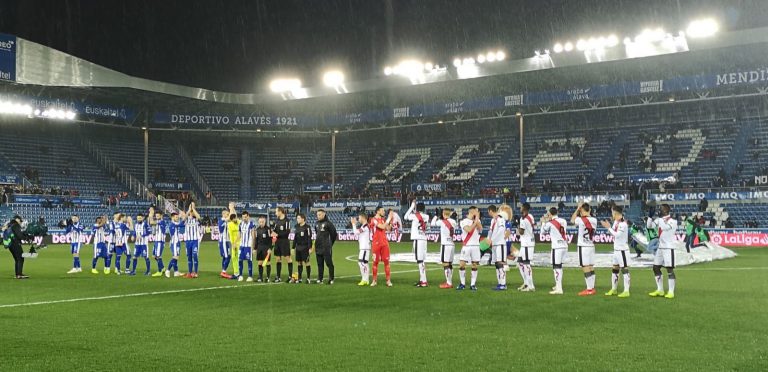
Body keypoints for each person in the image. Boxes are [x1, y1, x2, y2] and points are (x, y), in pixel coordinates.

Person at [648, 204, 678, 299]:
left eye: (661, 209)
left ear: (666, 210)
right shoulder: (659, 219)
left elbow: (664, 227)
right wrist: (650, 217)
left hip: (669, 248)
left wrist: (659, 220)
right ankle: (660, 290)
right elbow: (649, 226)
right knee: (655, 267)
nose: (659, 210)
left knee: (669, 269)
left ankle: (671, 292)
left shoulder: (673, 221)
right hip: (661, 247)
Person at [601, 205, 631, 298]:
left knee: (625, 269)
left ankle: (626, 291)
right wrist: (609, 228)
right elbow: (613, 232)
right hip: (616, 250)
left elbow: (617, 235)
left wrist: (608, 228)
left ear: (615, 213)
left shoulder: (623, 224)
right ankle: (614, 289)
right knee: (615, 269)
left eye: (612, 212)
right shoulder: (616, 222)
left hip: (622, 250)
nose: (611, 214)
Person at [572, 203, 597, 296]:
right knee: (590, 266)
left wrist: (577, 209)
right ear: (589, 210)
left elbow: (572, 220)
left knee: (585, 266)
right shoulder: (594, 220)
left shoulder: (580, 220)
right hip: (591, 245)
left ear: (582, 210)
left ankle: (589, 289)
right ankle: (592, 287)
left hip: (583, 246)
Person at [541, 207, 568, 295]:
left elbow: (543, 232)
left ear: (550, 214)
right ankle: (558, 285)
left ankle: (559, 289)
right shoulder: (563, 221)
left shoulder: (550, 223)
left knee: (556, 267)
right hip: (564, 245)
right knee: (559, 266)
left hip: (557, 247)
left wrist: (543, 222)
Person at [404, 200, 429, 287]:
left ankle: (424, 281)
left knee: (419, 260)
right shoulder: (427, 216)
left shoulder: (415, 216)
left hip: (418, 239)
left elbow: (405, 216)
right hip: (424, 239)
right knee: (421, 260)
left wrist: (411, 206)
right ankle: (422, 279)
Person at [457, 206, 482, 291]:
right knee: (462, 264)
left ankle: (473, 284)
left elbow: (480, 229)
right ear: (472, 211)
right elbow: (469, 230)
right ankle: (462, 283)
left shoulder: (477, 221)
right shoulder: (463, 221)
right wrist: (475, 221)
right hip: (467, 245)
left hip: (476, 245)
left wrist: (477, 220)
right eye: (476, 211)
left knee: (475, 264)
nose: (477, 212)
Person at [431, 208, 457, 289]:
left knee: (445, 263)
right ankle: (449, 281)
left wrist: (436, 215)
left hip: (445, 244)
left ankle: (448, 283)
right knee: (450, 263)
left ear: (443, 213)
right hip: (452, 244)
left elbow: (432, 224)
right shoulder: (454, 221)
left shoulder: (441, 222)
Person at [370, 206, 393, 287]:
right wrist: (389, 219)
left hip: (384, 243)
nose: (384, 212)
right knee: (375, 262)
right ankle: (374, 280)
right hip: (376, 244)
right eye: (382, 210)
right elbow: (382, 227)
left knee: (387, 262)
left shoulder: (383, 220)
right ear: (378, 211)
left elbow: (388, 229)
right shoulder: (374, 220)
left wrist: (391, 221)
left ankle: (388, 280)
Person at [487, 205, 508, 290]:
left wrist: (492, 239)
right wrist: (489, 239)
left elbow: (501, 230)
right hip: (495, 244)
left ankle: (503, 284)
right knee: (496, 263)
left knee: (500, 263)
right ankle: (499, 283)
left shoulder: (500, 219)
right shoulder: (493, 220)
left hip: (500, 244)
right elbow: (490, 230)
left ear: (490, 211)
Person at [314, 209, 337, 284]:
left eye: (320, 214)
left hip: (326, 247)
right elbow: (317, 234)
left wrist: (330, 243)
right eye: (317, 215)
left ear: (324, 214)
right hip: (318, 247)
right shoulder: (316, 224)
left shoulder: (328, 223)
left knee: (329, 263)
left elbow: (334, 234)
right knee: (319, 264)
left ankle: (331, 278)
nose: (318, 216)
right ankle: (320, 278)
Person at [270, 207, 293, 283]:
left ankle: (290, 277)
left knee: (288, 258)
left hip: (284, 242)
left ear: (280, 212)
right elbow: (275, 231)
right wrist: (273, 233)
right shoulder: (277, 221)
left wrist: (277, 234)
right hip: (277, 243)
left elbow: (287, 232)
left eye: (276, 212)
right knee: (278, 259)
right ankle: (278, 277)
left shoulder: (287, 221)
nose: (275, 213)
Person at [517, 202, 536, 292]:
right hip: (525, 243)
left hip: (527, 244)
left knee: (526, 263)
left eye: (521, 207)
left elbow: (521, 232)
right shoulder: (530, 216)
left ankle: (531, 286)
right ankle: (526, 283)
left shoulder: (524, 220)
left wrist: (517, 224)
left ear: (524, 208)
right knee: (520, 262)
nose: (520, 208)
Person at [351, 213, 371, 286]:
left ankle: (364, 279)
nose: (359, 219)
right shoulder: (364, 226)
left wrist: (353, 224)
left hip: (364, 248)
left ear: (363, 218)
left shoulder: (365, 226)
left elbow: (356, 232)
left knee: (361, 263)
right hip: (364, 247)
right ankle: (366, 280)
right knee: (365, 263)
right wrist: (356, 224)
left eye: (359, 218)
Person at [292, 213, 313, 284]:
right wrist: (293, 247)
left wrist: (310, 248)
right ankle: (299, 278)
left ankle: (308, 278)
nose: (297, 219)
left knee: (306, 262)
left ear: (303, 219)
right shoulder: (296, 227)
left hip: (305, 247)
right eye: (297, 218)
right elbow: (295, 238)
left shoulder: (307, 227)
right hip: (298, 247)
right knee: (299, 262)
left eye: (298, 218)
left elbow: (309, 238)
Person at [184, 203, 202, 278]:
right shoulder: (187, 219)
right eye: (191, 206)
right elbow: (183, 218)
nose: (191, 208)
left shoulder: (196, 219)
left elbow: (199, 217)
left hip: (195, 240)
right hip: (188, 240)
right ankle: (190, 272)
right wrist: (189, 210)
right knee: (189, 256)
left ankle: (196, 272)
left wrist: (193, 209)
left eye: (193, 206)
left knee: (195, 255)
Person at [237, 211, 256, 282]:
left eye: (245, 217)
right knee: (240, 260)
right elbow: (239, 234)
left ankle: (250, 276)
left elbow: (253, 236)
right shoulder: (241, 224)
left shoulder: (252, 224)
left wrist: (253, 247)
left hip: (248, 246)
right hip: (242, 246)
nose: (244, 218)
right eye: (243, 217)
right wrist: (235, 243)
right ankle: (240, 275)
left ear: (248, 216)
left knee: (249, 260)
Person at [165, 212, 185, 278]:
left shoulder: (176, 224)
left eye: (178, 217)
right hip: (174, 243)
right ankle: (167, 270)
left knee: (176, 257)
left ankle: (176, 272)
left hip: (177, 242)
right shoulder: (172, 225)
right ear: (172, 217)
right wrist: (184, 217)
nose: (177, 218)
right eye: (176, 217)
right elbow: (181, 224)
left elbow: (182, 224)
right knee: (175, 257)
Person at [149, 208, 167, 277]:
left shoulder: (162, 221)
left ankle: (159, 271)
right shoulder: (157, 222)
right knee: (154, 256)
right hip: (156, 241)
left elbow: (151, 222)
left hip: (160, 241)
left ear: (161, 216)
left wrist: (151, 215)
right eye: (156, 216)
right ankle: (162, 267)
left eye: (158, 216)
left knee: (158, 256)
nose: (157, 217)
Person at [255, 215, 272, 282]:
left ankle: (268, 277)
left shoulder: (268, 229)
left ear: (265, 221)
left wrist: (270, 248)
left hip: (266, 248)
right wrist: (255, 248)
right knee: (260, 262)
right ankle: (260, 277)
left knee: (267, 262)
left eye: (263, 222)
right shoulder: (257, 229)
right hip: (259, 248)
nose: (261, 223)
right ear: (258, 222)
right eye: (260, 222)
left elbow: (271, 240)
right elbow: (256, 240)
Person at [217, 207, 233, 278]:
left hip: (225, 241)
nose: (228, 214)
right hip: (224, 241)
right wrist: (231, 208)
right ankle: (223, 271)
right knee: (228, 256)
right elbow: (230, 218)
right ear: (223, 214)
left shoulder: (224, 221)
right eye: (227, 214)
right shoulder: (222, 220)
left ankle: (223, 271)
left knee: (224, 257)